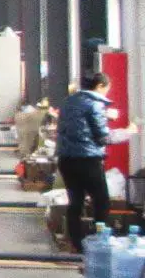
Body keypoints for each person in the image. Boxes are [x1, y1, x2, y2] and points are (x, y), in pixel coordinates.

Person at [56, 72, 132, 249]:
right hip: (87, 161)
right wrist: (128, 132)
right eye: (107, 89)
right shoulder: (95, 104)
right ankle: (100, 240)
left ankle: (76, 244)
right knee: (101, 201)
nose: (107, 93)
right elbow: (103, 137)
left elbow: (78, 122)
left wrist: (104, 115)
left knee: (76, 202)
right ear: (99, 86)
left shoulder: (70, 101)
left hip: (66, 159)